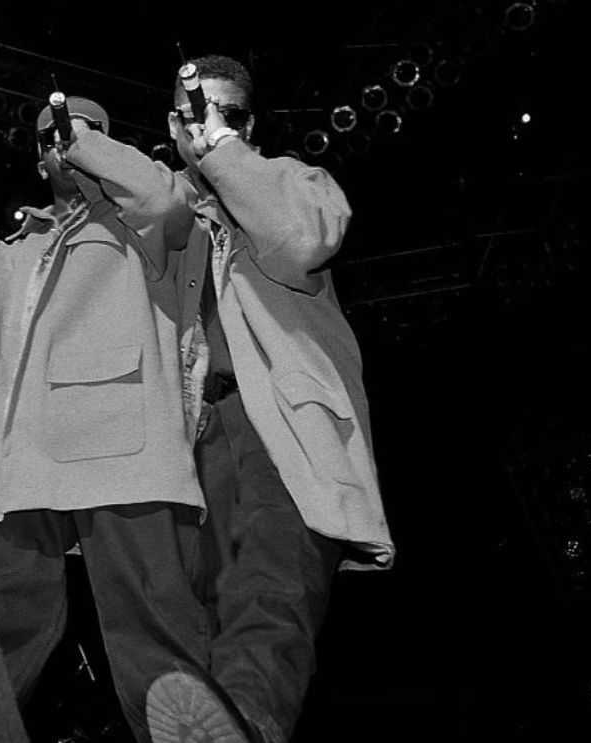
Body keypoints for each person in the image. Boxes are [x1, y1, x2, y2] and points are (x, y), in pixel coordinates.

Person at [0, 97, 211, 742]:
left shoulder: (145, 223)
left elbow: (165, 201)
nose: (66, 143)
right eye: (53, 138)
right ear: (37, 159)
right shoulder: (10, 250)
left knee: (153, 628)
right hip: (8, 455)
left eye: (87, 133)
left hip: (117, 442)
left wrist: (84, 140)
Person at [142, 55, 396, 743]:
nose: (207, 124)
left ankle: (247, 721)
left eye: (227, 113)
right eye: (194, 114)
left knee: (270, 581)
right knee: (189, 618)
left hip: (275, 419)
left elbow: (301, 238)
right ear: (170, 124)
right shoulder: (155, 212)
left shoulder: (288, 181)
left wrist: (222, 149)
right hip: (182, 441)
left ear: (248, 124)